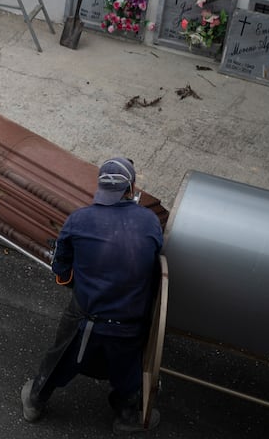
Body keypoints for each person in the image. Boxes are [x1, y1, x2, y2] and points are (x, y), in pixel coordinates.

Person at [20, 157, 164, 434]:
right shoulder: (149, 221)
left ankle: (36, 400)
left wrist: (80, 286)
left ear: (100, 187)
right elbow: (154, 265)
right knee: (128, 368)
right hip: (129, 323)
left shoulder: (79, 219)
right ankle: (127, 415)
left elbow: (61, 268)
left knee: (61, 356)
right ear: (131, 188)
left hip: (87, 320)